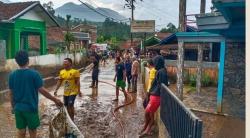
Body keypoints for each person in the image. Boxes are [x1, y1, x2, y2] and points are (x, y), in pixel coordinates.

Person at [8, 50, 63, 138]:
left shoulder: (12, 75)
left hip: (18, 108)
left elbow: (11, 93)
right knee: (32, 132)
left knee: (21, 131)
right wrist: (55, 99)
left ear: (16, 61)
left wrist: (13, 107)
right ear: (28, 60)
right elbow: (42, 91)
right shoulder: (34, 74)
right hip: (31, 108)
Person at [140, 55, 168, 137]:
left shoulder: (161, 72)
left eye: (155, 62)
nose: (154, 64)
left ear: (158, 62)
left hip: (156, 97)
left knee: (147, 112)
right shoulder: (160, 71)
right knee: (149, 112)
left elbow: (162, 85)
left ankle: (147, 129)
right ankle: (146, 127)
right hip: (154, 96)